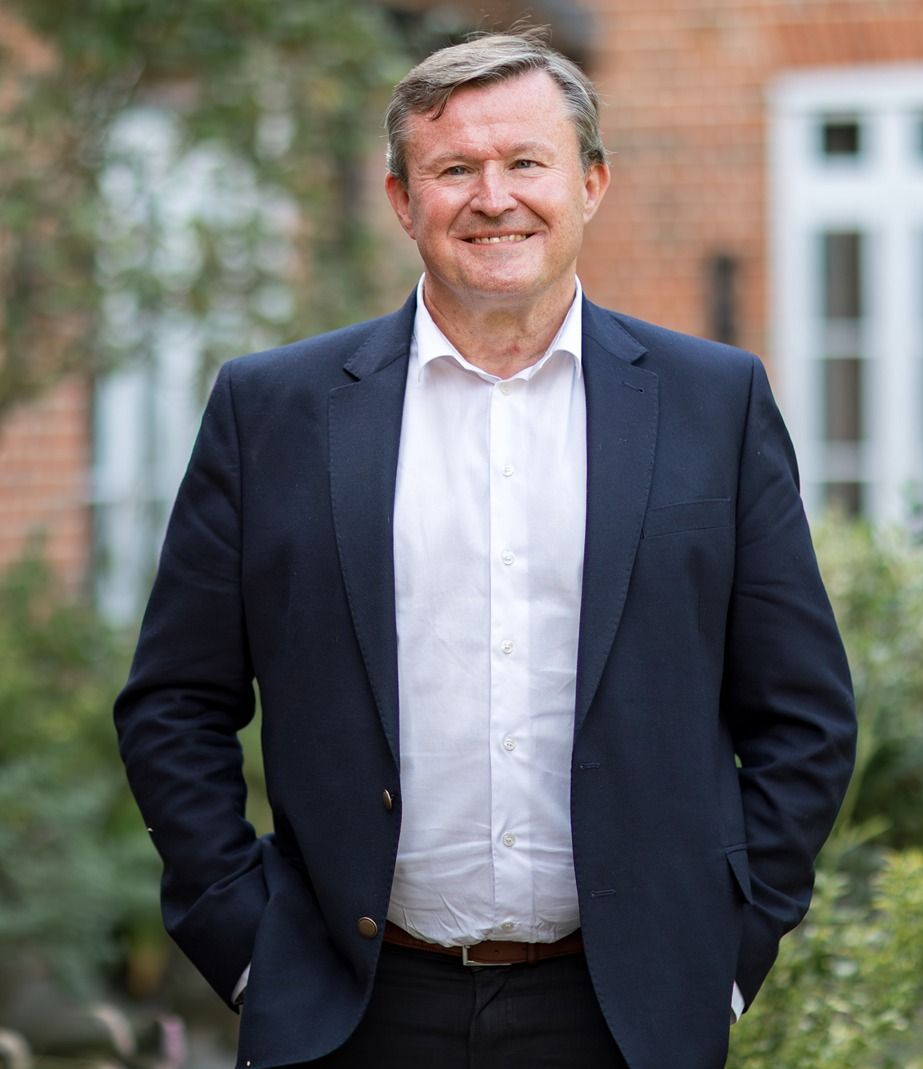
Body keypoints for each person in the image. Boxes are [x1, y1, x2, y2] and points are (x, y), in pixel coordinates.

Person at [114, 30, 855, 1069]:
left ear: (591, 182)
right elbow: (174, 702)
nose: (491, 196)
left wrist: (724, 953)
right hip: (350, 1009)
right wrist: (249, 948)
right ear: (401, 200)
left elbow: (803, 713)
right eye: (454, 168)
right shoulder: (272, 410)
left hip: (624, 1013)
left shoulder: (709, 404)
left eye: (525, 163)